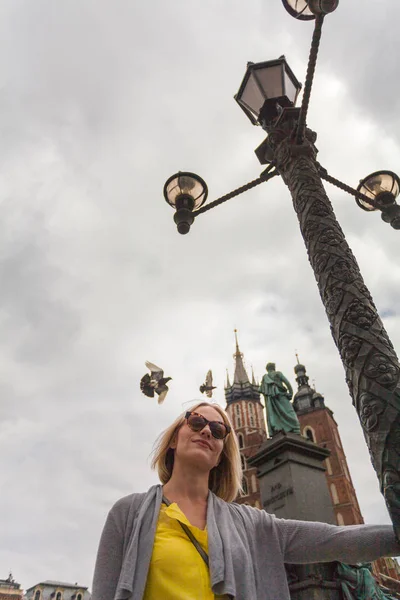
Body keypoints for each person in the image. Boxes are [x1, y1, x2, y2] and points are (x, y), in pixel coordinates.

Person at [92, 401, 400, 600]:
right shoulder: (129, 514)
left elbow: (334, 540)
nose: (207, 432)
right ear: (174, 438)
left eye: (218, 430)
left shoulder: (250, 524)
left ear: (220, 458)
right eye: (196, 422)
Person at [259, 362, 301, 436]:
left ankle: (277, 428)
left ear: (267, 369)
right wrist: (290, 393)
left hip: (272, 401)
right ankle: (295, 428)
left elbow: (260, 390)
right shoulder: (278, 374)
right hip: (281, 396)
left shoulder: (265, 378)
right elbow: (287, 383)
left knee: (275, 415)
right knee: (289, 412)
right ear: (274, 368)